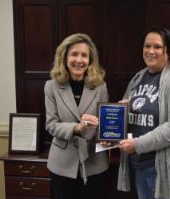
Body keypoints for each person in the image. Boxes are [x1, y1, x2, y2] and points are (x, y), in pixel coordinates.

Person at [117, 26, 170, 199]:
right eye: (146, 46)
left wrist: (138, 144)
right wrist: (122, 112)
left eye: (157, 47)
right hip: (140, 165)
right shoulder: (138, 77)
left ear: (168, 51)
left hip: (164, 170)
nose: (151, 51)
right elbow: (133, 117)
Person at [44, 33, 109, 199]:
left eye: (84, 55)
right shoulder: (51, 86)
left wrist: (112, 128)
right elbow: (51, 125)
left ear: (90, 60)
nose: (79, 60)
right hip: (62, 165)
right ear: (64, 57)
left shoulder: (100, 86)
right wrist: (76, 128)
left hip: (94, 162)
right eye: (74, 54)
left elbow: (105, 123)